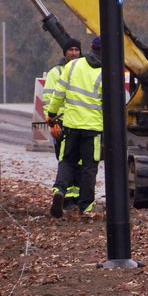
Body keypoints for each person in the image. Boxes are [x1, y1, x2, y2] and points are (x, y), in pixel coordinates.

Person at [46, 35, 104, 218]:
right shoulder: (106, 72)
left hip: (70, 125)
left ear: (91, 49)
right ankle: (85, 206)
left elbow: (58, 94)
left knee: (67, 160)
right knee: (89, 167)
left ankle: (59, 190)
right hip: (93, 128)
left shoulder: (72, 66)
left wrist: (52, 115)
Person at [43, 38, 82, 208]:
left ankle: (73, 197)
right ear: (64, 53)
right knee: (66, 160)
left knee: (77, 162)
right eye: (70, 50)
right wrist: (53, 124)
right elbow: (48, 100)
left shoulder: (83, 71)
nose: (73, 53)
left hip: (79, 123)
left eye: (76, 50)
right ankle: (66, 197)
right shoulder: (55, 73)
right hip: (62, 123)